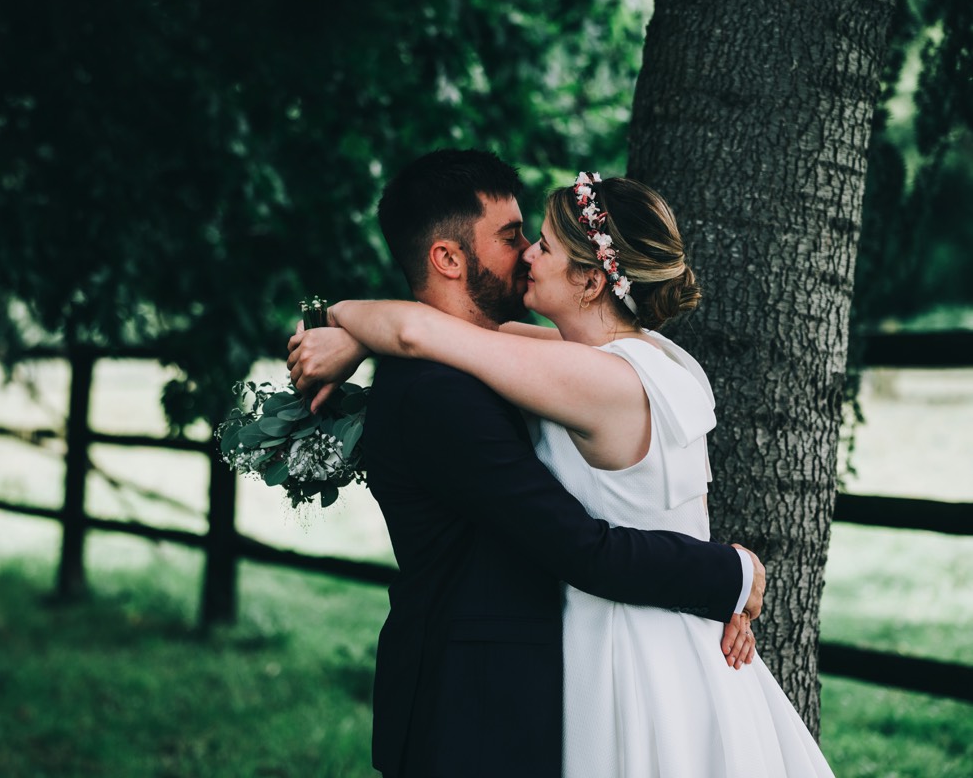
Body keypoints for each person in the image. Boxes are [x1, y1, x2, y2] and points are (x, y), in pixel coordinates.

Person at [288, 156, 835, 777]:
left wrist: (731, 575)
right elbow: (428, 335)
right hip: (621, 645)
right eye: (515, 236)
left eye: (539, 243)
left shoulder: (591, 375)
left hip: (628, 647)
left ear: (592, 280)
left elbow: (421, 334)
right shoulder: (650, 358)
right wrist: (725, 579)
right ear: (448, 256)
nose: (525, 255)